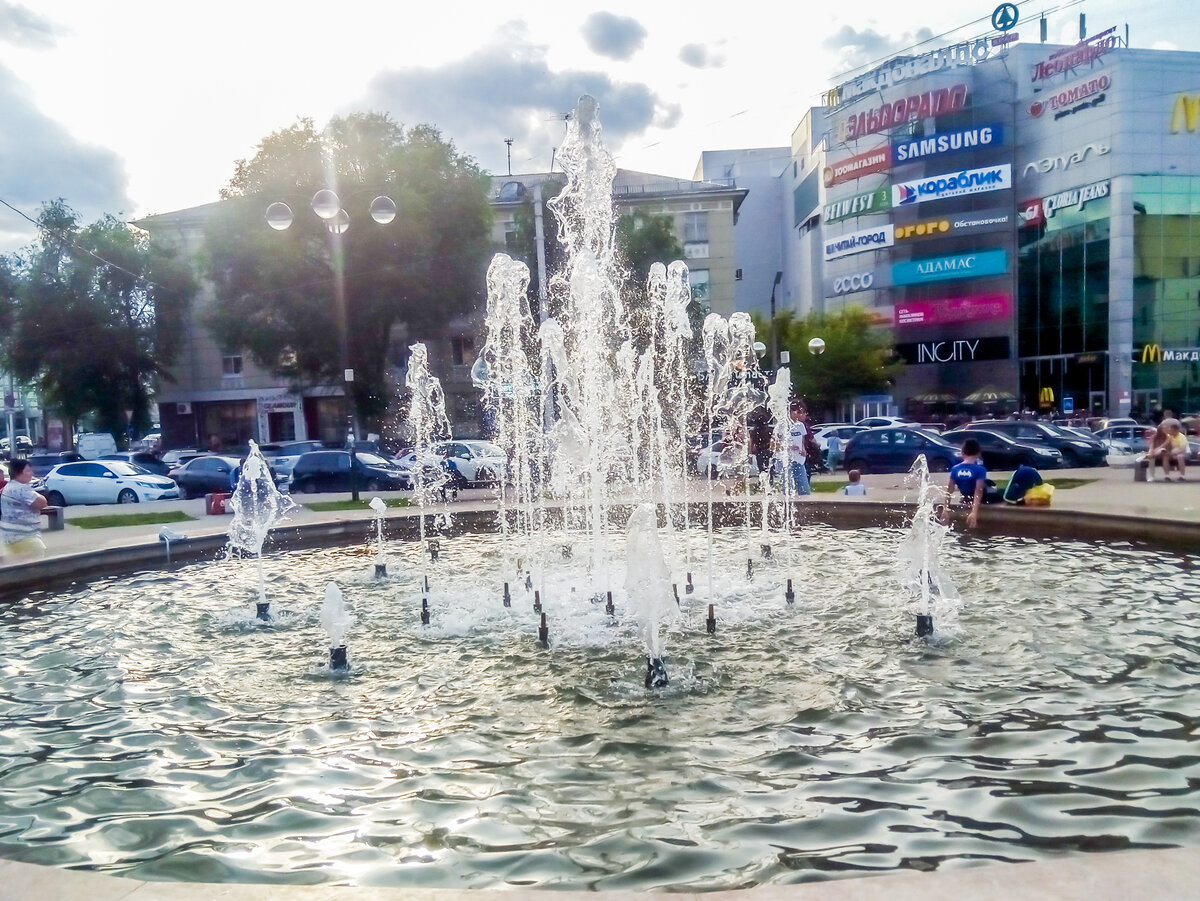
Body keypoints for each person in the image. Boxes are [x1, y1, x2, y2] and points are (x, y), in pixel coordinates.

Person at [945, 438, 1001, 528]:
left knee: (988, 483)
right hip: (984, 498)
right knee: (998, 493)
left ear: (962, 452)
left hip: (966, 497)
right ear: (978, 454)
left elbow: (949, 490)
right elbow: (978, 491)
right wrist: (974, 513)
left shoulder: (955, 469)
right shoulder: (980, 469)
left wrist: (945, 509)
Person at [1, 458, 48, 557]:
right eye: (28, 470)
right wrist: (41, 497)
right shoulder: (20, 488)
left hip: (10, 535)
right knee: (39, 559)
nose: (31, 473)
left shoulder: (9, 487)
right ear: (18, 472)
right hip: (24, 536)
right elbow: (42, 503)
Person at [776, 400, 811, 496]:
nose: (800, 415)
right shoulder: (782, 425)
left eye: (802, 412)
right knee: (788, 489)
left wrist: (803, 450)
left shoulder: (800, 425)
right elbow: (774, 444)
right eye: (798, 412)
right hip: (784, 460)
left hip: (798, 459)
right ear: (790, 411)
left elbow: (802, 441)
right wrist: (789, 447)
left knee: (804, 489)